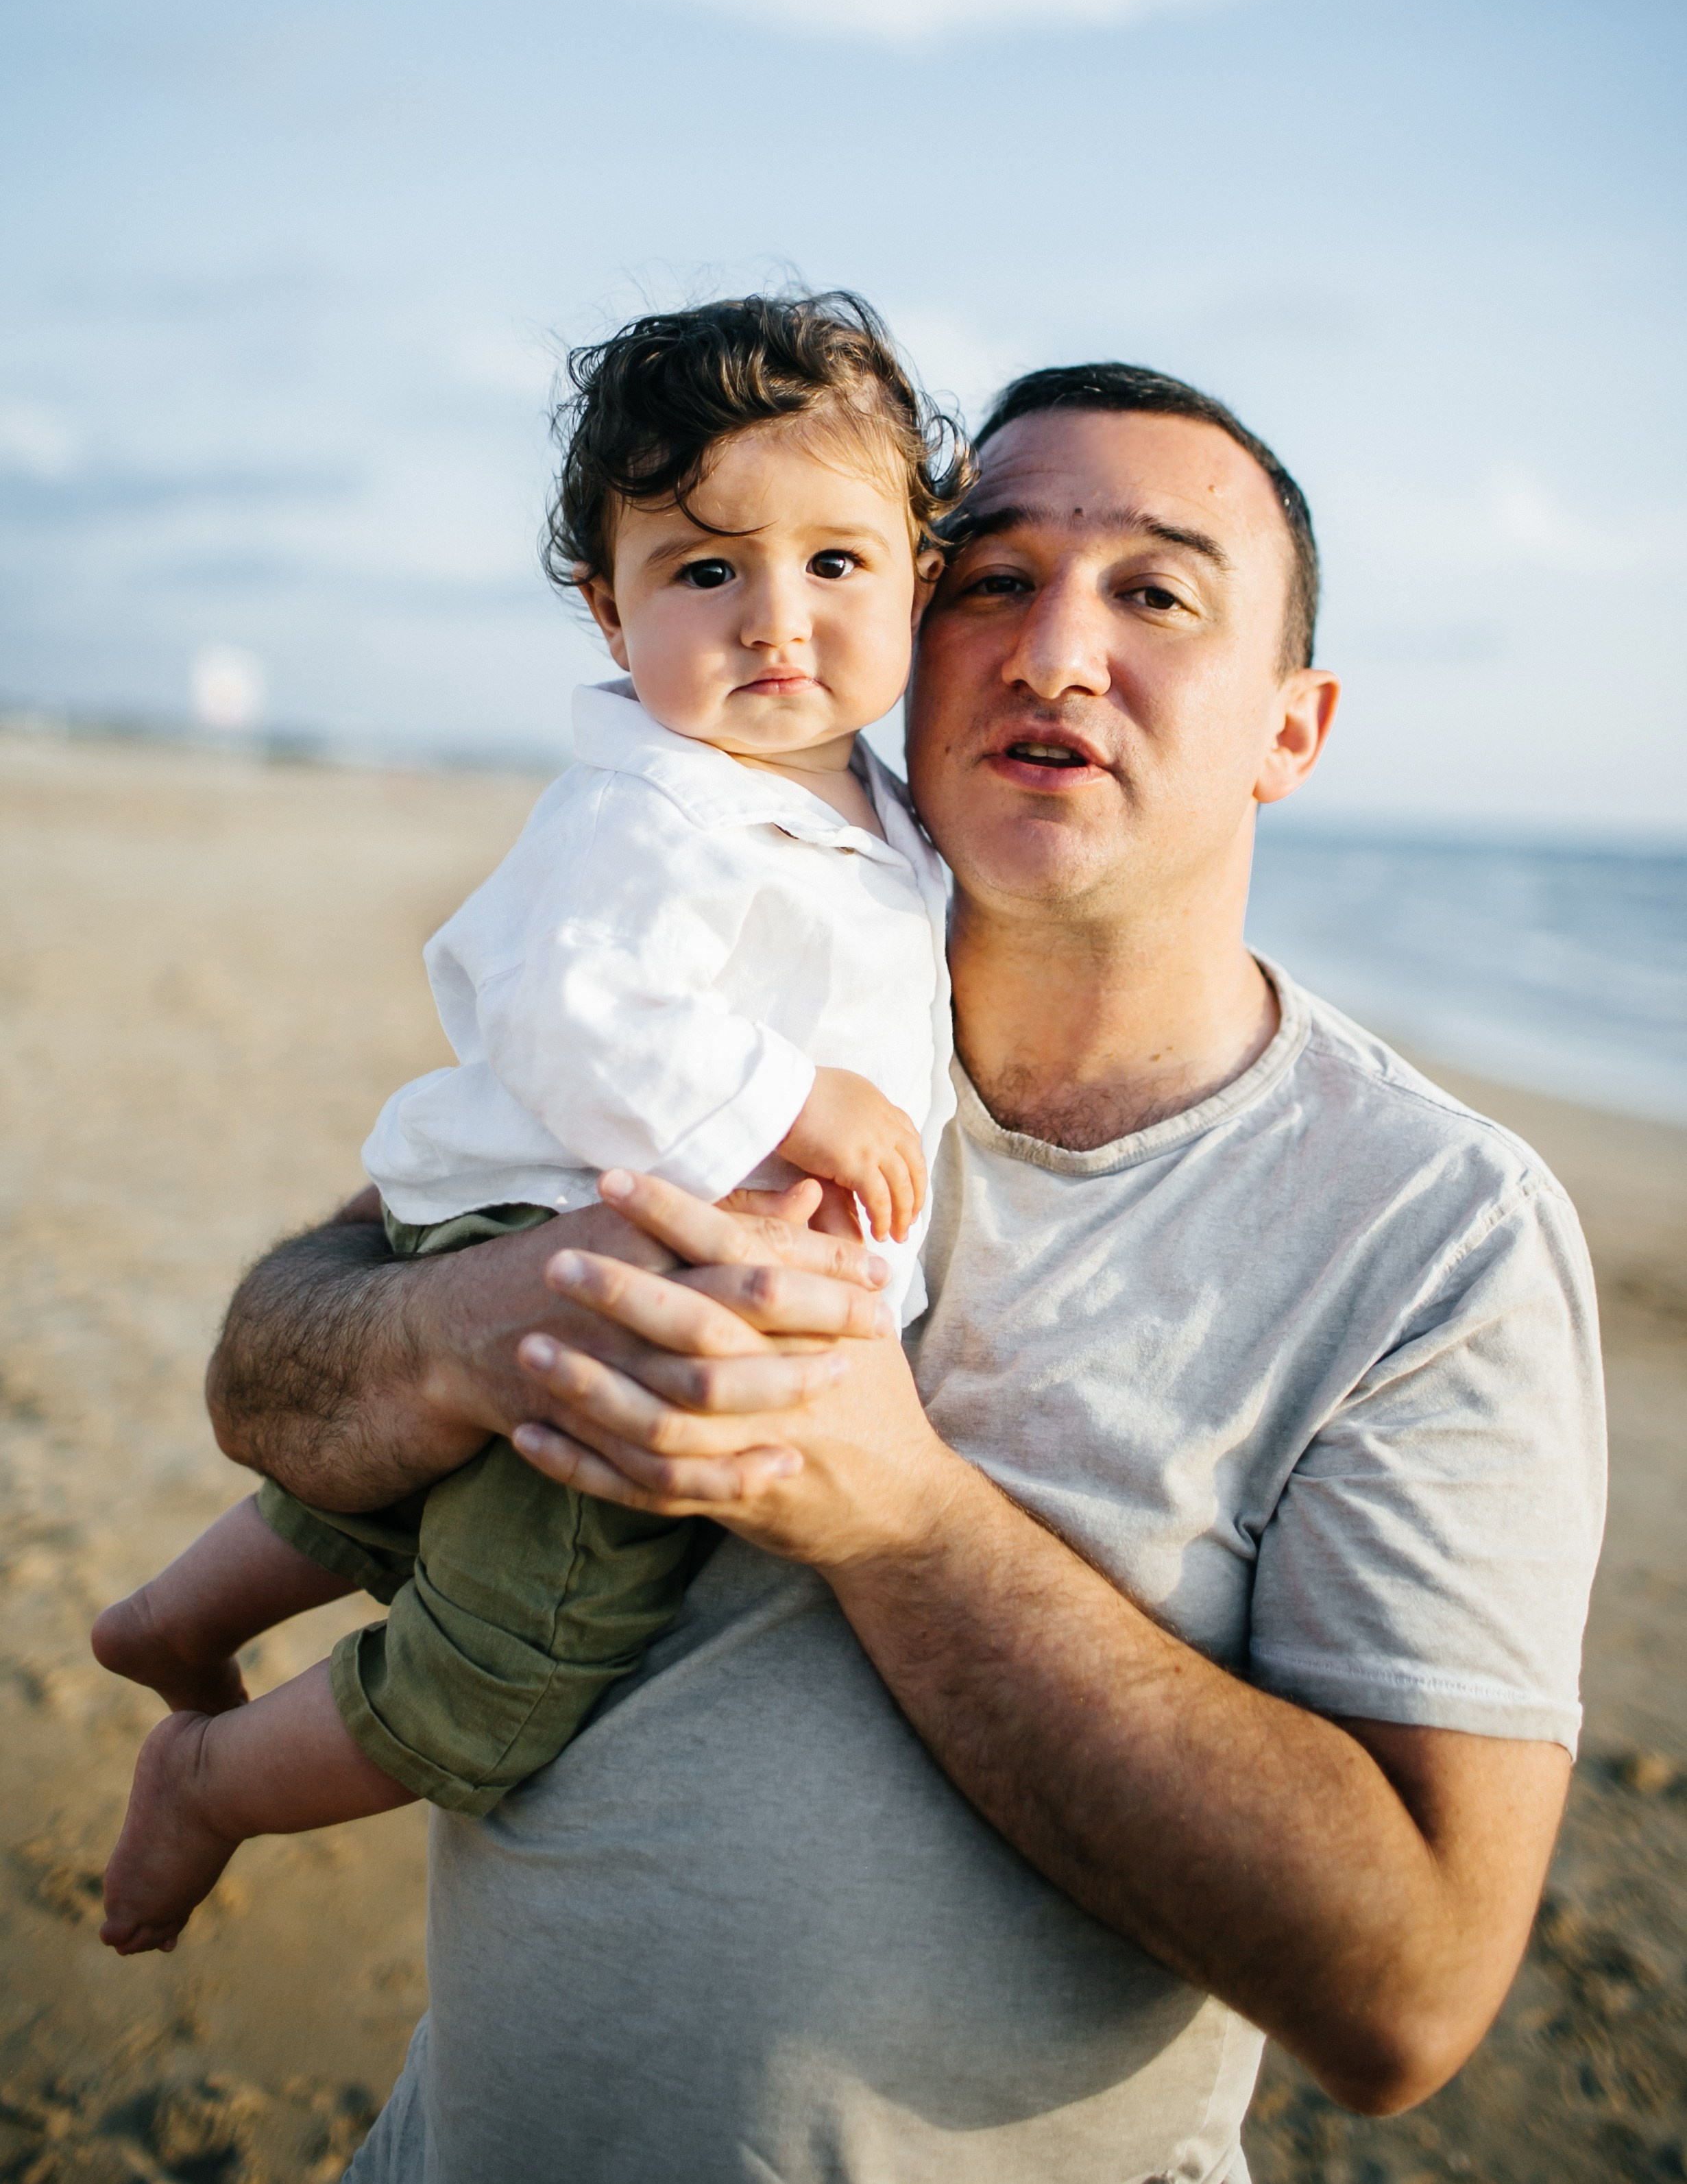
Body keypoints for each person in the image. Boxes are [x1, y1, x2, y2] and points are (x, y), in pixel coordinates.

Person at [206, 356, 1605, 2184]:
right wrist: (466, 1330)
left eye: (1155, 595)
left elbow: (1402, 1995)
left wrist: (894, 1512)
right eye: (990, 579)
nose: (1049, 652)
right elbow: (262, 1379)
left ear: (1291, 725)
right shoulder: (717, 1011)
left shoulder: (1435, 1233)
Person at [90, 293, 964, 1954]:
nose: (778, 619)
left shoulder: (856, 798)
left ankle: (169, 1615)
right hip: (584, 1246)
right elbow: (570, 1011)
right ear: (606, 606)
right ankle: (209, 1778)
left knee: (378, 1500)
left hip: (533, 1219)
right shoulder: (657, 803)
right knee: (511, 1652)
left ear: (917, 573)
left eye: (836, 566)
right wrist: (795, 1101)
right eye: (706, 571)